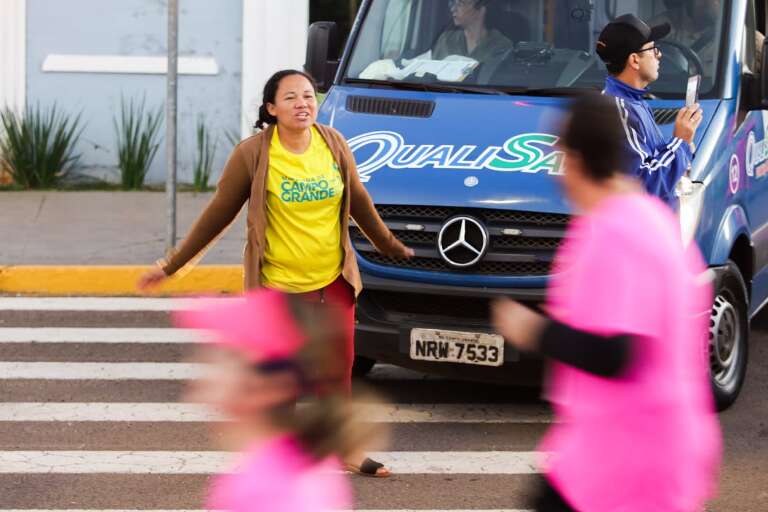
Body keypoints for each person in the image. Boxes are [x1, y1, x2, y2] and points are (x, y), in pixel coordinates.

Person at [138, 69, 414, 477]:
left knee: (338, 372)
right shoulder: (253, 154)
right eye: (290, 98)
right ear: (271, 109)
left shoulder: (333, 143)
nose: (302, 104)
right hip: (279, 287)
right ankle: (281, 458)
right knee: (282, 378)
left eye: (307, 95)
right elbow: (218, 215)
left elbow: (358, 199)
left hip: (332, 281)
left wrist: (390, 245)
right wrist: (171, 265)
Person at [492, 93, 721, 511]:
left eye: (558, 156)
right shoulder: (649, 218)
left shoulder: (612, 231)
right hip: (632, 446)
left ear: (576, 159)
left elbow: (614, 352)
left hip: (625, 458)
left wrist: (530, 329)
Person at [177, 289, 386, 512]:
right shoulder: (285, 465)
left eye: (228, 356)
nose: (205, 367)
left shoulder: (265, 490)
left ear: (271, 384)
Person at [596, 14, 703, 207]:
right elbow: (645, 185)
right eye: (654, 49)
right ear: (635, 60)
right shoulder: (618, 110)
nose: (659, 55)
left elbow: (652, 162)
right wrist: (681, 141)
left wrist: (683, 145)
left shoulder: (633, 101)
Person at [432, 0, 514, 62]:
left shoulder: (501, 46)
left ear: (481, 9)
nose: (453, 9)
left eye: (460, 4)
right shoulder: (446, 39)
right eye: (453, 3)